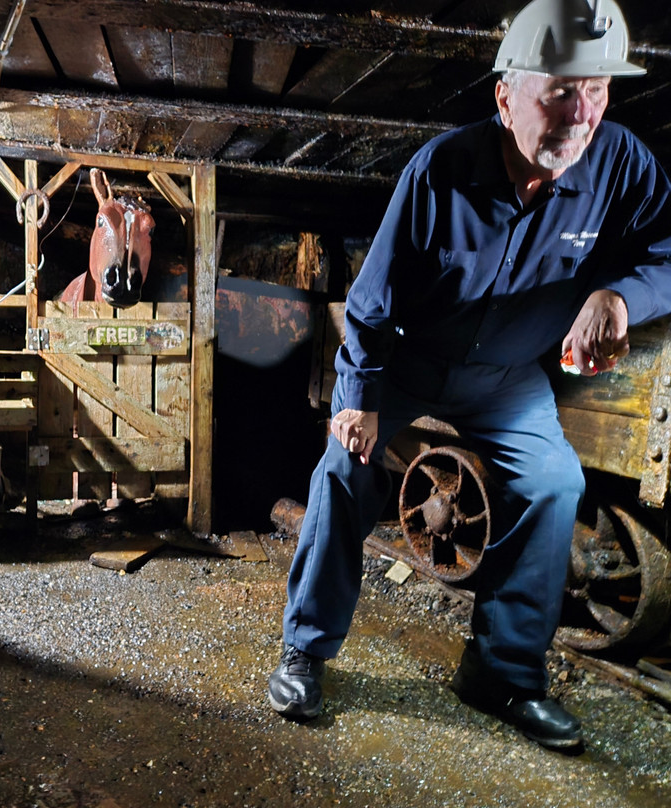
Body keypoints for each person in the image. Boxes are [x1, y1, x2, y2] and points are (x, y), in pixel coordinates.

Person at [268, 0, 671, 751]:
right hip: (411, 363)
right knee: (343, 471)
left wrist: (621, 296)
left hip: (508, 375)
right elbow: (372, 302)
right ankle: (306, 649)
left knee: (555, 481)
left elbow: (669, 251)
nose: (579, 113)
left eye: (597, 89)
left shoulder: (622, 164)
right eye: (558, 90)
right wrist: (356, 398)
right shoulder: (441, 170)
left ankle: (502, 675)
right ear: (506, 95)